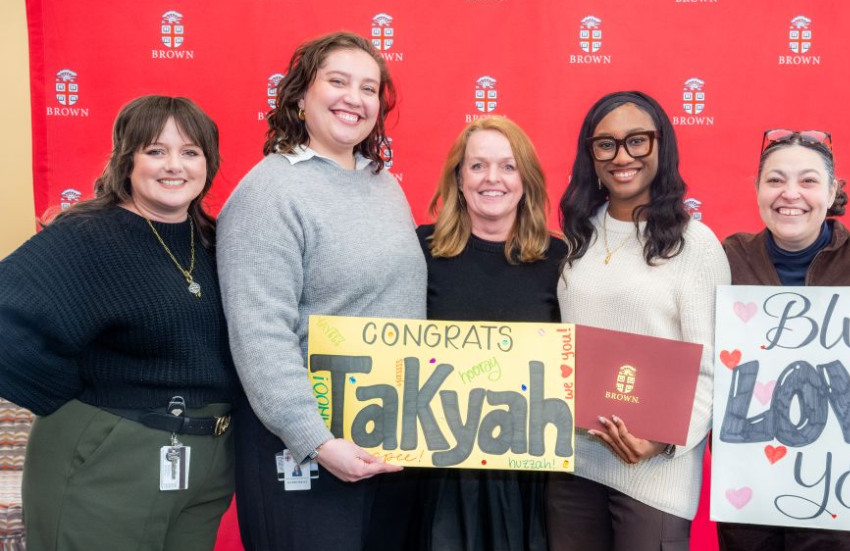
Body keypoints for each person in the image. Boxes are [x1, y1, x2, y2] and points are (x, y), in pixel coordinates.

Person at [217, 31, 426, 550]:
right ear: (298, 97)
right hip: (306, 447)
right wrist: (316, 440)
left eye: (369, 88)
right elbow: (261, 333)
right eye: (337, 81)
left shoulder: (384, 184)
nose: (354, 99)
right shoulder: (269, 191)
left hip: (385, 437)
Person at [0, 95, 238, 551]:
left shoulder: (216, 241)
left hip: (207, 462)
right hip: (109, 456)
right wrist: (71, 391)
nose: (175, 165)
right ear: (127, 159)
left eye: (191, 152)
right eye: (155, 151)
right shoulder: (89, 234)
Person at [715, 129, 850, 551]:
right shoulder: (725, 257)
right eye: (775, 180)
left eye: (808, 181)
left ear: (831, 193)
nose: (790, 193)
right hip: (751, 488)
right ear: (757, 190)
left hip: (845, 498)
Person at [547, 91, 730, 551]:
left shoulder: (696, 244)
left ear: (660, 146)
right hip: (572, 466)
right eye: (605, 144)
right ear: (590, 154)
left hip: (653, 474)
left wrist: (662, 440)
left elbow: (715, 365)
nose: (621, 156)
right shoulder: (579, 234)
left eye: (637, 141)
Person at [415, 116, 566, 551]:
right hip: (439, 469)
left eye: (507, 166)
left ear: (526, 180)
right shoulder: (420, 252)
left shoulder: (561, 260)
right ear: (458, 179)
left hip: (527, 475)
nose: (492, 178)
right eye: (477, 166)